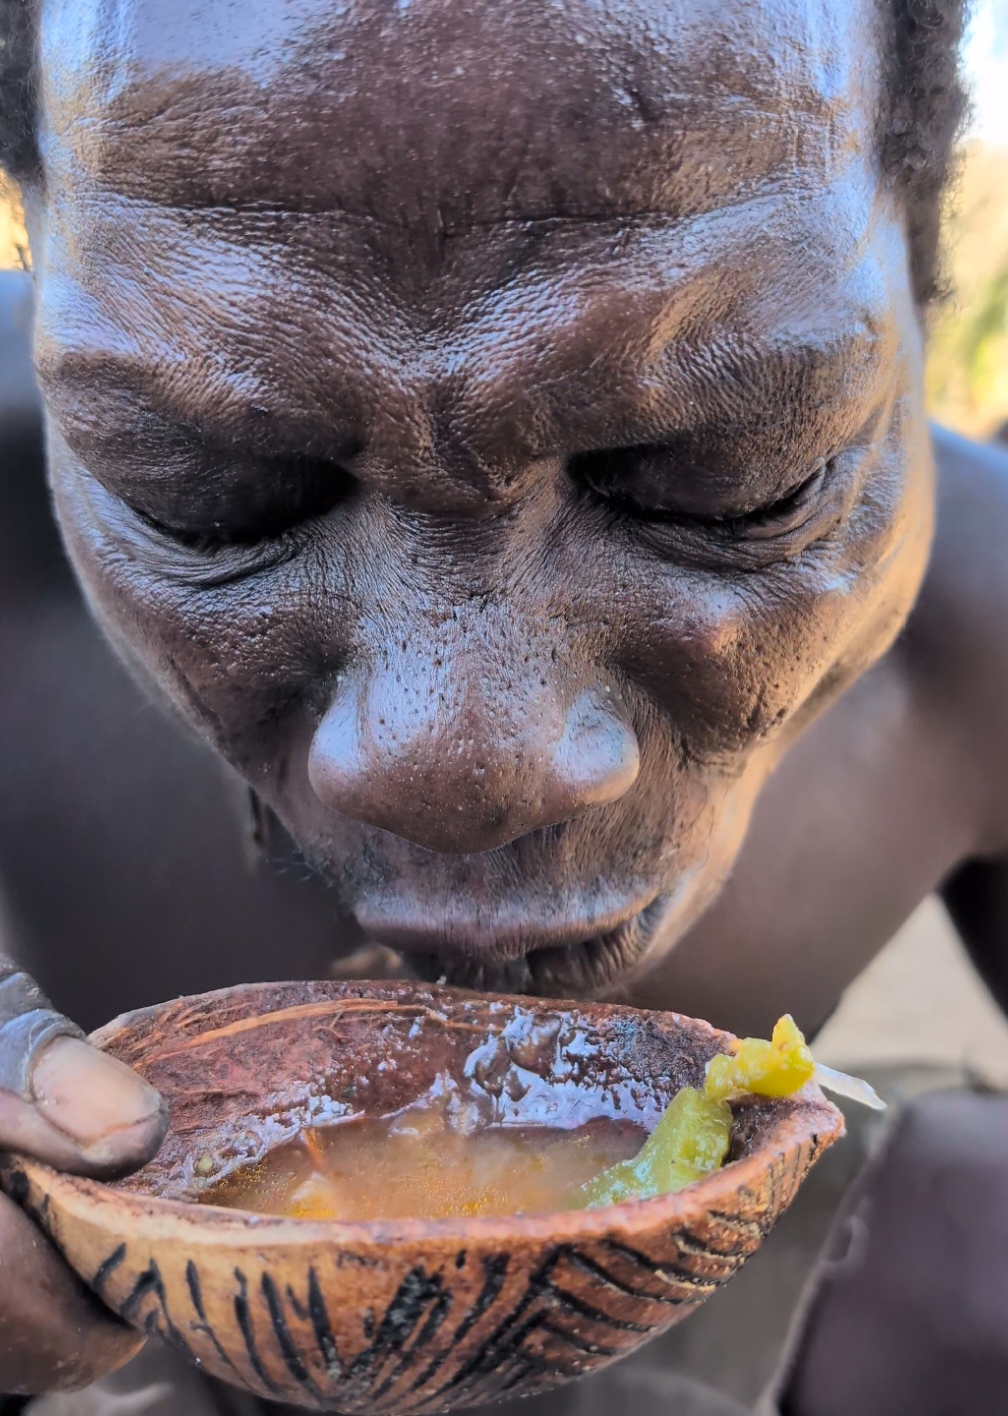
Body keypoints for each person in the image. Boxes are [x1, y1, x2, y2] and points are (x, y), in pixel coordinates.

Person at [1, 0, 1007, 1410]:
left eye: (729, 483)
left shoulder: (989, 623)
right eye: (211, 496)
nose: (454, 755)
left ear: (919, 275)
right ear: (42, 273)